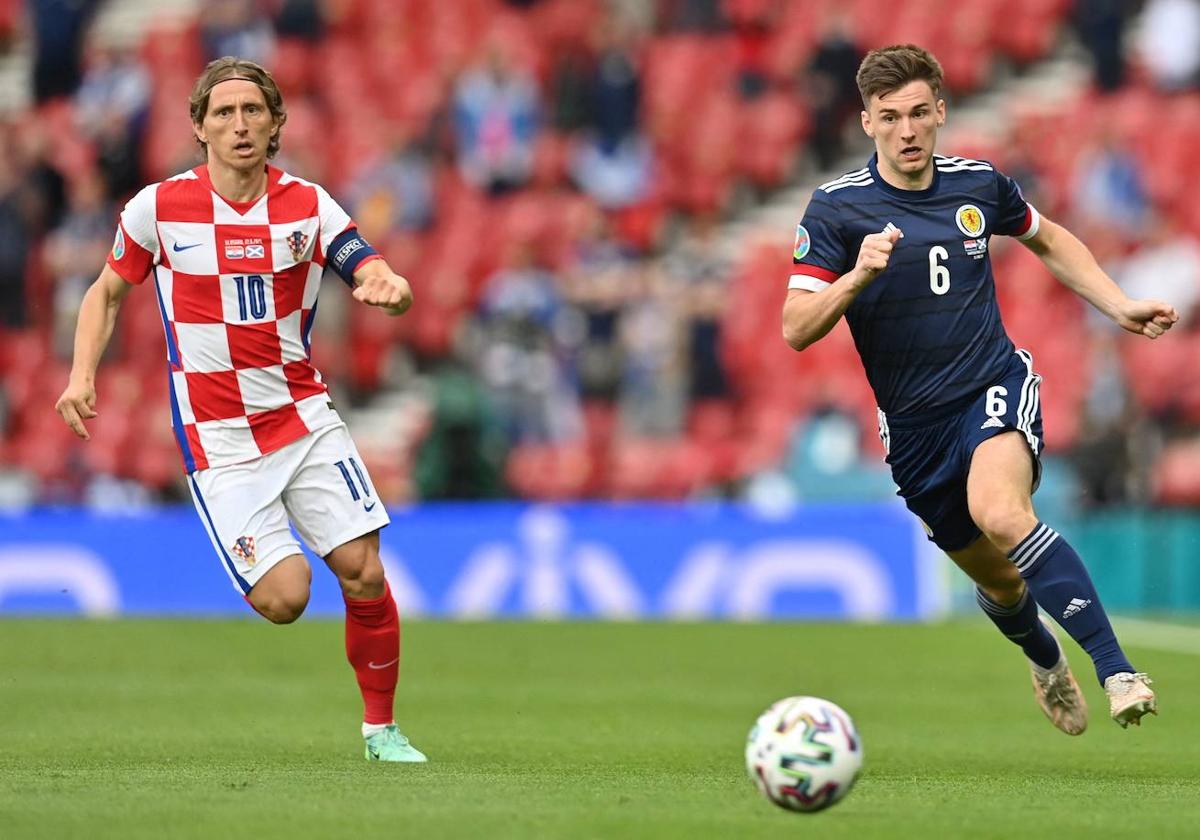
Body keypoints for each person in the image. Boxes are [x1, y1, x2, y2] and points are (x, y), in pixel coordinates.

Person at [783, 45, 1178, 734]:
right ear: (866, 123)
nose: (906, 131)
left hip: (990, 385)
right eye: (888, 117)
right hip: (913, 429)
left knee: (999, 509)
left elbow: (1048, 238)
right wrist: (856, 278)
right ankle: (1045, 660)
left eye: (917, 114)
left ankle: (1117, 669)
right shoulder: (837, 211)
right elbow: (795, 328)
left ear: (940, 110)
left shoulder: (979, 186)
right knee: (998, 581)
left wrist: (1116, 306)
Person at [54, 57, 426, 762]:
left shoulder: (308, 206)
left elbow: (364, 262)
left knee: (365, 570)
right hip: (219, 438)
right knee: (288, 598)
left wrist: (390, 286)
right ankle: (243, 540)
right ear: (199, 127)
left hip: (303, 416)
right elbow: (105, 292)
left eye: (253, 111)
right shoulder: (157, 209)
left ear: (276, 122)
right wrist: (81, 375)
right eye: (223, 113)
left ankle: (382, 730)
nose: (239, 124)